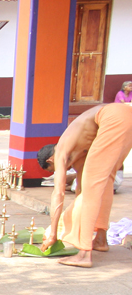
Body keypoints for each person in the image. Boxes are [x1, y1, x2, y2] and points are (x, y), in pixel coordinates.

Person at [38, 103, 132, 267]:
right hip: (126, 114)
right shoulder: (79, 151)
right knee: (105, 181)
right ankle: (101, 239)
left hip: (112, 117)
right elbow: (81, 191)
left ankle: (84, 254)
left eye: (54, 169)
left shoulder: (61, 150)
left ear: (50, 160)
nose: (61, 171)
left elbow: (58, 193)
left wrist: (53, 232)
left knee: (93, 187)